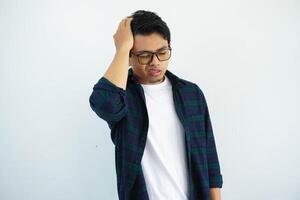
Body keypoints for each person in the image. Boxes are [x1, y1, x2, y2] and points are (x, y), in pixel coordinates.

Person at [89, 10, 223, 200]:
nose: (155, 62)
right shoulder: (124, 97)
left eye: (162, 52)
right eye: (144, 55)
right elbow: (104, 105)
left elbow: (210, 158)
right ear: (129, 56)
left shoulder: (191, 93)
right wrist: (121, 49)